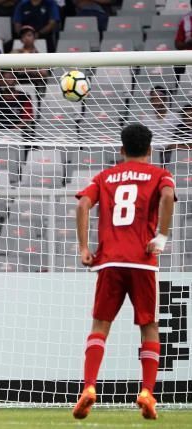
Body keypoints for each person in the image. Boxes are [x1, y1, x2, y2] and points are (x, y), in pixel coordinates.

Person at [72, 124, 176, 421]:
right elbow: (167, 197)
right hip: (142, 261)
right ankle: (146, 391)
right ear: (150, 149)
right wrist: (162, 236)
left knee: (100, 326)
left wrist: (83, 248)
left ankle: (90, 386)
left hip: (109, 261)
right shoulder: (160, 175)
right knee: (149, 326)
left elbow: (82, 205)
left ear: (121, 150)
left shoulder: (104, 177)